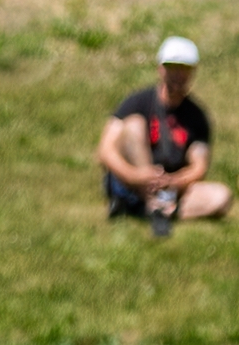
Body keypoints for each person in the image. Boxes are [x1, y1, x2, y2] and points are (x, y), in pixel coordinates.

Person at [98, 36, 230, 236]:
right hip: (135, 180)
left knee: (222, 197)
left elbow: (199, 166)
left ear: (193, 72)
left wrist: (174, 181)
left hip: (170, 187)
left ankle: (149, 209)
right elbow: (105, 150)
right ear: (160, 68)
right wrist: (134, 175)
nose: (178, 74)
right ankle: (151, 205)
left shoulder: (196, 116)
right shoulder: (137, 102)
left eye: (184, 68)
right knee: (133, 124)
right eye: (172, 67)